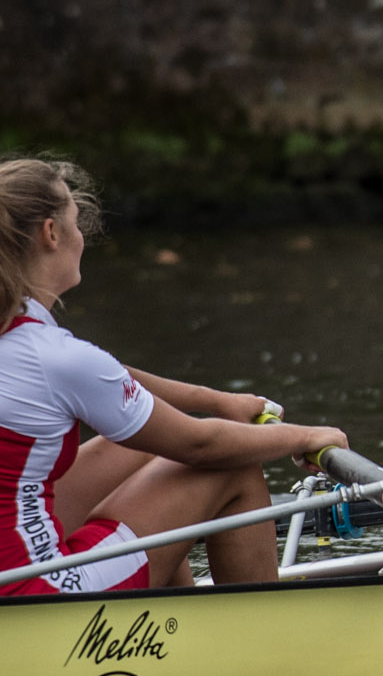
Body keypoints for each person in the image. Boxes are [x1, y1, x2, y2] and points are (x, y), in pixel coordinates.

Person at [0, 158, 348, 594]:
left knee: (134, 446)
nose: (82, 236)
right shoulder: (55, 357)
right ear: (51, 234)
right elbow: (200, 445)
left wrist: (216, 401)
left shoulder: (27, 344)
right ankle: (261, 638)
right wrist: (308, 437)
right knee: (229, 464)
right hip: (35, 593)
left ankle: (167, 615)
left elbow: (111, 377)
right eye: (76, 221)